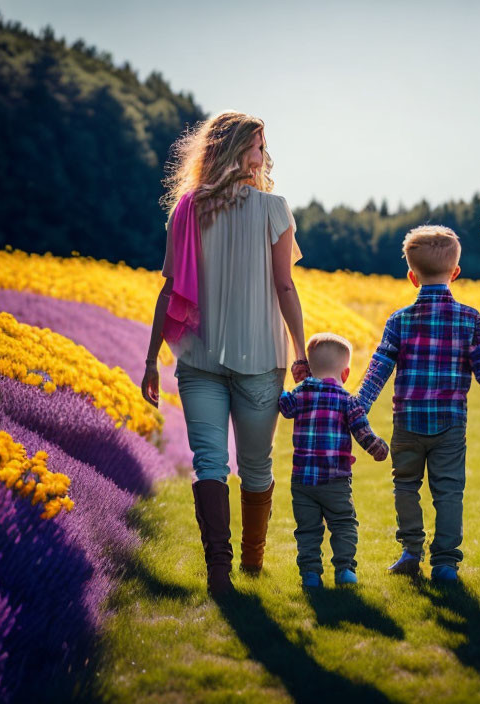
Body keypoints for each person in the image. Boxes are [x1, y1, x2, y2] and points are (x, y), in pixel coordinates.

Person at [141, 111, 310, 596]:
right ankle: (251, 563)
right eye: (258, 146)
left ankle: (220, 571)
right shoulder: (274, 208)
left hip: (196, 356)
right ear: (239, 151)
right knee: (256, 466)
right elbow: (284, 285)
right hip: (260, 357)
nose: (264, 155)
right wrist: (299, 350)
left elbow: (170, 288)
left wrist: (153, 358)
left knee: (209, 462)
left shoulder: (187, 208)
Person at [357, 226, 480, 582]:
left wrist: (357, 404)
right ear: (455, 273)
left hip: (407, 422)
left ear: (411, 276)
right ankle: (446, 563)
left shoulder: (398, 320)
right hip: (450, 424)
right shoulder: (470, 319)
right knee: (449, 490)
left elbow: (378, 369)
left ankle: (410, 550)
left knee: (405, 485)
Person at [279, 333, 389, 588]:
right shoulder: (347, 401)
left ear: (310, 367)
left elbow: (285, 407)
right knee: (343, 524)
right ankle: (345, 570)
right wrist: (378, 449)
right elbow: (363, 433)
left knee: (307, 530)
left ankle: (310, 575)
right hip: (336, 480)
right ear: (346, 373)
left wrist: (285, 385)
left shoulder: (302, 393)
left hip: (302, 481)